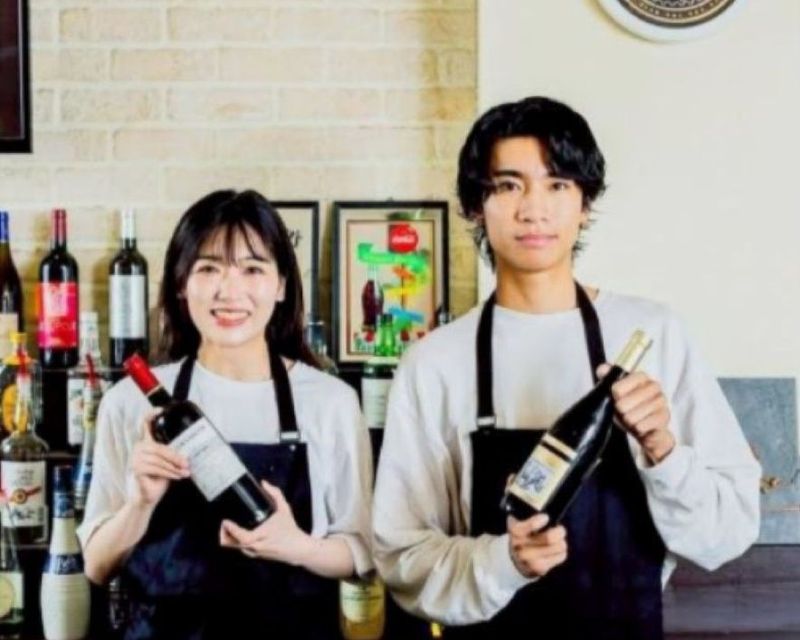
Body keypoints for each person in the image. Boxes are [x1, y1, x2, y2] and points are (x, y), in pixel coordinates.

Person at [371, 96, 761, 639]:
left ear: (585, 204)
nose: (534, 209)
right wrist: (504, 561)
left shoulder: (652, 335)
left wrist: (663, 451)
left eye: (557, 184)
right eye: (508, 186)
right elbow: (401, 556)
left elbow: (728, 531)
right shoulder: (434, 362)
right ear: (476, 206)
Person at [78, 190, 373, 639]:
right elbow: (97, 566)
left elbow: (361, 552)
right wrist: (140, 503)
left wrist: (296, 546)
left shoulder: (331, 402)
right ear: (181, 283)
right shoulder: (128, 403)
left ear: (281, 285)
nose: (229, 291)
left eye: (252, 269)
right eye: (209, 268)